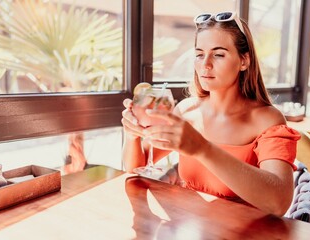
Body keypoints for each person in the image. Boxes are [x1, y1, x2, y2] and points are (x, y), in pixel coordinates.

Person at [121, 12, 300, 216]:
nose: (205, 64)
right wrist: (132, 135)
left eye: (219, 54)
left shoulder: (268, 120)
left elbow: (278, 203)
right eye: (199, 54)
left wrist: (202, 148)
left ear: (244, 61)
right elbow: (136, 166)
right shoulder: (186, 111)